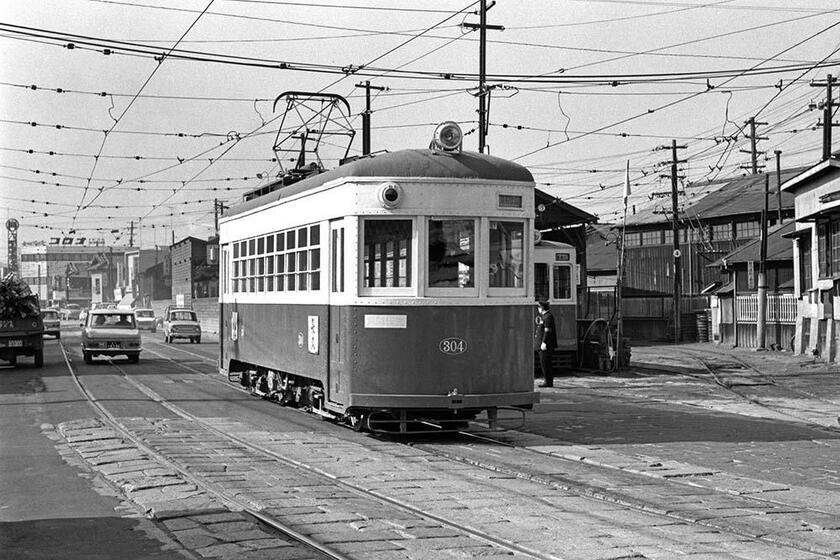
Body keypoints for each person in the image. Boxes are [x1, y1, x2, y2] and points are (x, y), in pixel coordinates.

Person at [535, 300, 557, 387]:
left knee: (546, 364)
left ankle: (548, 382)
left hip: (546, 345)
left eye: (539, 307)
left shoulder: (548, 317)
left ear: (542, 307)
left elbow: (547, 331)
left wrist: (544, 342)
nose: (538, 309)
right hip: (544, 345)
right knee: (545, 364)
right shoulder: (545, 316)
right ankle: (547, 381)